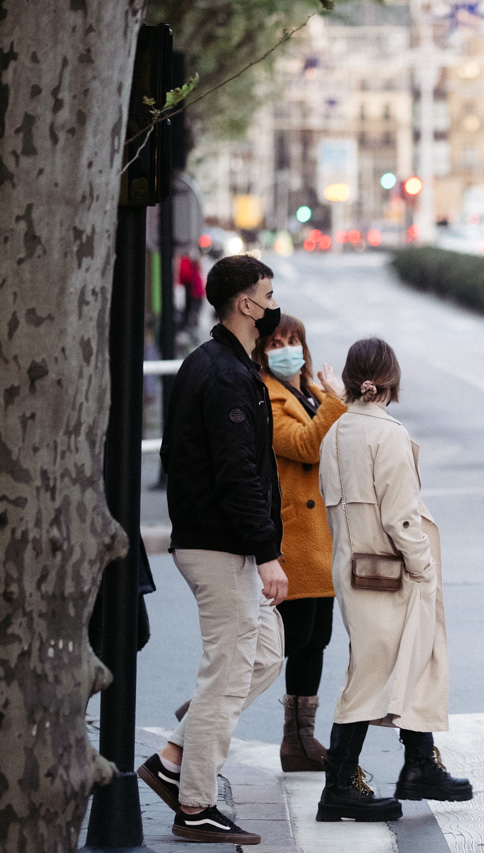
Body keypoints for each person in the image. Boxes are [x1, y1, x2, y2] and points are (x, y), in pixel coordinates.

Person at [138, 254, 287, 845]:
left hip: (222, 545)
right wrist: (268, 552)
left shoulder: (218, 363)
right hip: (221, 549)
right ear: (247, 304)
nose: (274, 305)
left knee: (265, 654)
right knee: (227, 673)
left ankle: (176, 755)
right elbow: (237, 474)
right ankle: (195, 804)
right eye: (269, 295)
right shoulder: (223, 372)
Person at [315, 337, 471, 823]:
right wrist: (422, 566)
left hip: (353, 565)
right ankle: (340, 784)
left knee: (400, 662)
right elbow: (401, 516)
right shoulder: (388, 435)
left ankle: (419, 763)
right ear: (390, 381)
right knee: (374, 673)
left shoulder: (336, 432)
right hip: (393, 570)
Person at [251, 314, 348, 771]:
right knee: (288, 639)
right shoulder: (266, 396)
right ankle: (206, 712)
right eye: (276, 342)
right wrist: (335, 401)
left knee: (317, 639)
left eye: (294, 341)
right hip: (293, 534)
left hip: (320, 535)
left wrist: (333, 400)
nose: (287, 349)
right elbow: (306, 446)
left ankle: (299, 742)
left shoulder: (306, 393)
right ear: (261, 350)